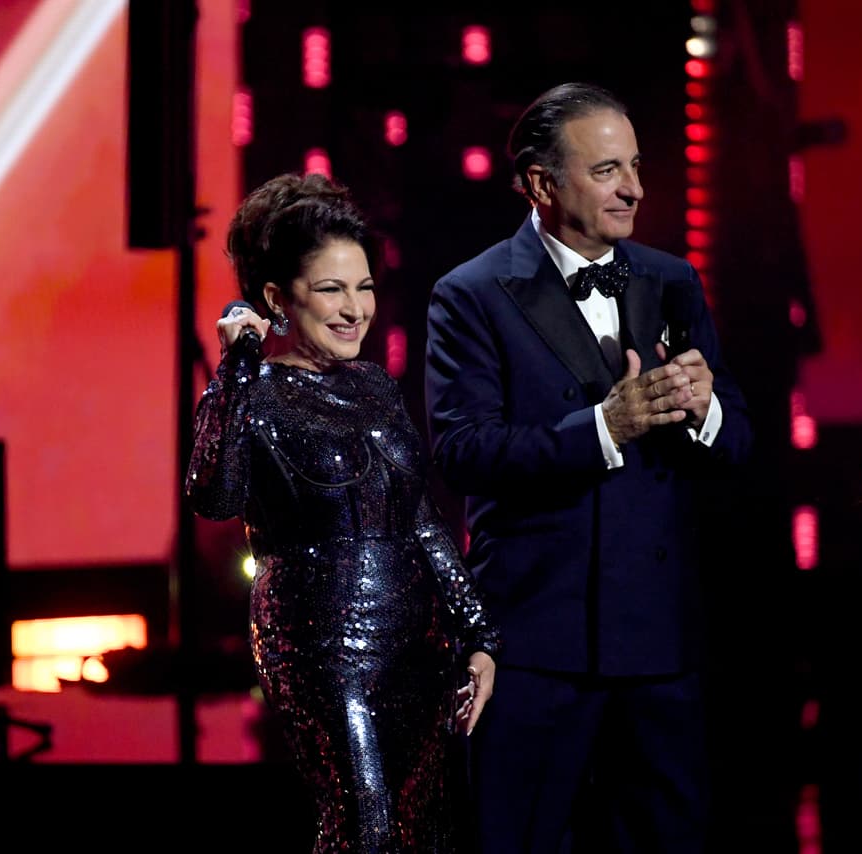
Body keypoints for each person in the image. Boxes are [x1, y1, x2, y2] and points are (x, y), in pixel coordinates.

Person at [423, 82, 753, 853]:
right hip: (538, 644)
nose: (634, 187)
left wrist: (705, 409)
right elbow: (463, 451)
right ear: (542, 183)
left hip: (658, 645)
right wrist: (605, 425)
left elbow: (737, 443)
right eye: (607, 170)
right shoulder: (469, 294)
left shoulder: (672, 281)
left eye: (635, 166)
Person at [186, 172, 500, 853]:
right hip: (322, 650)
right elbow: (213, 495)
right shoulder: (254, 393)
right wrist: (236, 368)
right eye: (332, 289)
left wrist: (477, 634)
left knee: (427, 832)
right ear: (276, 298)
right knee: (366, 830)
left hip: (418, 649)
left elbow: (420, 518)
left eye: (364, 287)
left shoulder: (373, 385)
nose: (356, 308)